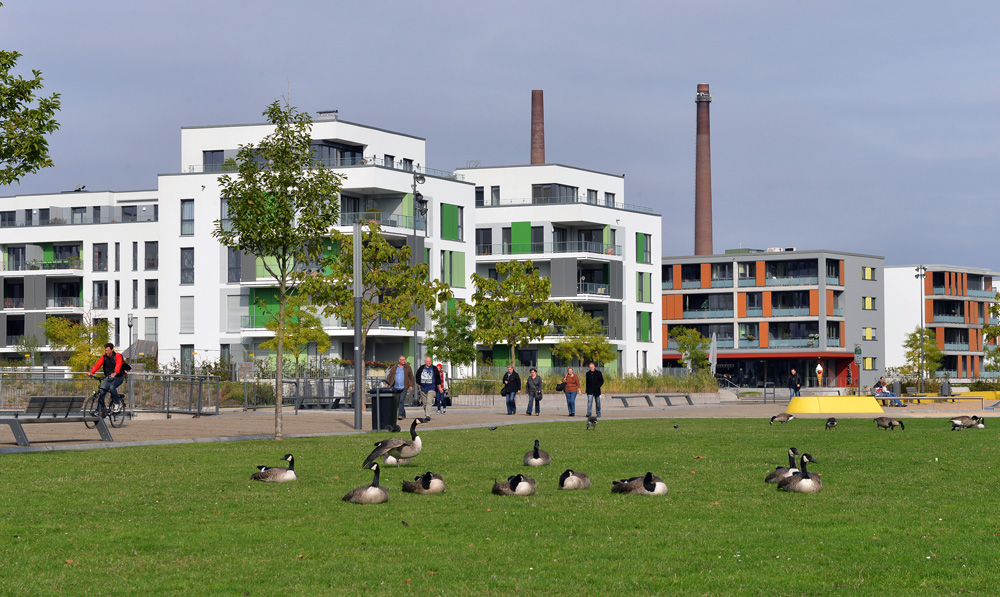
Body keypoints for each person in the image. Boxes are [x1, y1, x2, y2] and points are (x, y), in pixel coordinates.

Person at [88, 342, 127, 416]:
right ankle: (99, 410)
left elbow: (118, 364)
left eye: (108, 350)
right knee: (101, 392)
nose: (107, 352)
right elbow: (98, 364)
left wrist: (115, 372)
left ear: (112, 350)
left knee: (112, 387)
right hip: (108, 377)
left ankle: (117, 404)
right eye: (105, 350)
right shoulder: (104, 357)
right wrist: (91, 372)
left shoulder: (117, 355)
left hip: (118, 377)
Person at [384, 355, 415, 421]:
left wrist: (411, 385)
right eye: (402, 360)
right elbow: (390, 375)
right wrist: (387, 383)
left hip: (404, 387)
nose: (404, 361)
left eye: (404, 360)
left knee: (401, 400)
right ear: (399, 360)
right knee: (398, 401)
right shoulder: (395, 367)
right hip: (396, 387)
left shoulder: (408, 367)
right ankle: (403, 413)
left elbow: (411, 377)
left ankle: (400, 415)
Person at [414, 356, 442, 422]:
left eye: (430, 361)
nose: (429, 363)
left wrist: (439, 388)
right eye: (428, 362)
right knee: (424, 403)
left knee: (429, 401)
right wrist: (419, 385)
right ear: (425, 362)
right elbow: (417, 376)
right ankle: (427, 413)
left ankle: (428, 415)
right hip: (423, 387)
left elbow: (438, 379)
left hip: (431, 387)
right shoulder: (421, 368)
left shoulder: (434, 368)